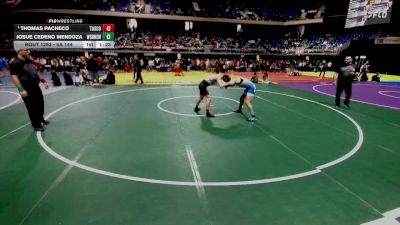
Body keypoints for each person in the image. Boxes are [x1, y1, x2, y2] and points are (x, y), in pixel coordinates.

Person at [10, 48, 49, 131]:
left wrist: (44, 81)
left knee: (40, 103)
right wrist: (21, 89)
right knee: (31, 107)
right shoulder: (15, 63)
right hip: (26, 88)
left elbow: (36, 72)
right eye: (26, 50)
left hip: (35, 86)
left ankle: (40, 119)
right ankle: (36, 125)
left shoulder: (30, 61)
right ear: (19, 51)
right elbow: (14, 77)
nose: (28, 52)